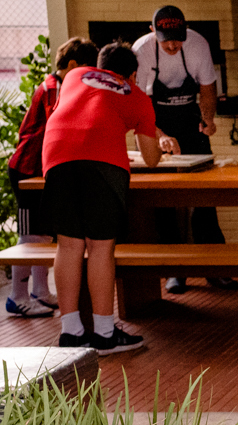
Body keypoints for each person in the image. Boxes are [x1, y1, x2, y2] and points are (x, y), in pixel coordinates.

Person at [43, 42, 162, 354]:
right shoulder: (136, 95)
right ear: (133, 75)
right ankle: (105, 334)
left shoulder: (76, 74)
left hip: (55, 157)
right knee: (100, 247)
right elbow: (151, 159)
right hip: (103, 164)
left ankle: (71, 332)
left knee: (68, 244)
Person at [132, 5, 236, 295]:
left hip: (190, 120)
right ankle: (174, 271)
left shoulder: (198, 44)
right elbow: (138, 104)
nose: (172, 44)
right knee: (164, 199)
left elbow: (207, 89)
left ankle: (215, 268)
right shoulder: (141, 51)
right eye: (166, 39)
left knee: (204, 196)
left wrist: (208, 118)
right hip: (155, 120)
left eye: (177, 38)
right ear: (153, 32)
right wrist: (159, 136)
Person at [6, 37, 98, 318]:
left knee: (43, 233)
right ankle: (17, 296)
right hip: (26, 169)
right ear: (72, 65)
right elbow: (57, 127)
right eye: (86, 70)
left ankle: (40, 291)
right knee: (30, 235)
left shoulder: (58, 86)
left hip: (42, 171)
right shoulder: (51, 89)